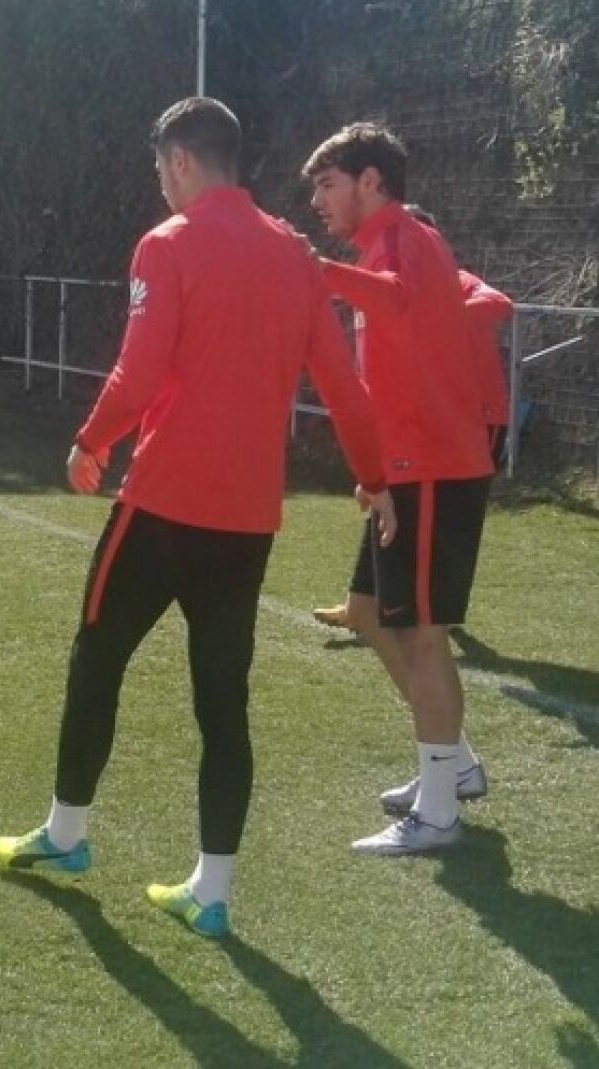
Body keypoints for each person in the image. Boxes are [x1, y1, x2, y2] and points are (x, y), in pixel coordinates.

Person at [0, 98, 393, 938]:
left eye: (158, 170)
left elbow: (137, 376)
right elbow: (345, 387)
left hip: (163, 504)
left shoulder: (166, 244)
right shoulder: (294, 254)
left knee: (95, 656)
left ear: (178, 161)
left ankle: (66, 835)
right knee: (222, 701)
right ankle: (212, 890)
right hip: (246, 520)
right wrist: (374, 478)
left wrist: (88, 441)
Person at [303, 123, 498, 855]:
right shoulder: (379, 244)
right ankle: (456, 767)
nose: (316, 201)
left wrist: (315, 268)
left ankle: (438, 812)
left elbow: (394, 301)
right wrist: (372, 472)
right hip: (401, 473)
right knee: (365, 614)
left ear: (372, 181)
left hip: (434, 471)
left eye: (326, 184)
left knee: (420, 635)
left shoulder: (403, 238)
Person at [310, 204, 513, 630]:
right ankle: (361, 603)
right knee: (387, 502)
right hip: (420, 419)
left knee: (447, 512)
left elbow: (498, 303)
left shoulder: (452, 283)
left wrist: (441, 321)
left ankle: (439, 610)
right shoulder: (388, 289)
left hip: (477, 415)